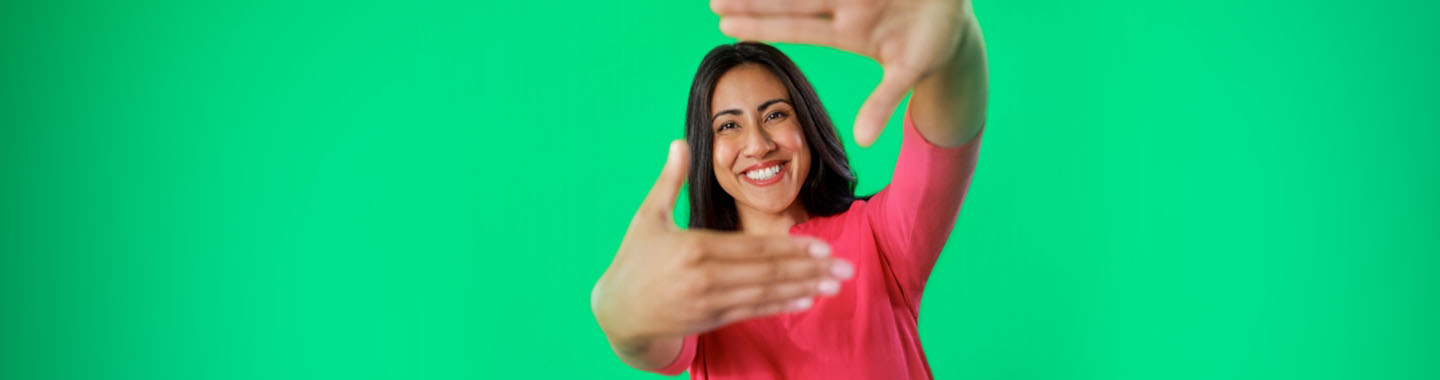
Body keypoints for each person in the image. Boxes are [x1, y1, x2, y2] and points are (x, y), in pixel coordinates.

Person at [592, 0, 987, 378]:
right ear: (706, 151)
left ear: (807, 125)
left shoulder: (879, 237)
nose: (759, 145)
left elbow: (943, 140)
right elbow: (648, 343)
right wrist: (618, 311)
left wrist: (955, 54)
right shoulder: (700, 282)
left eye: (776, 114)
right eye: (729, 125)